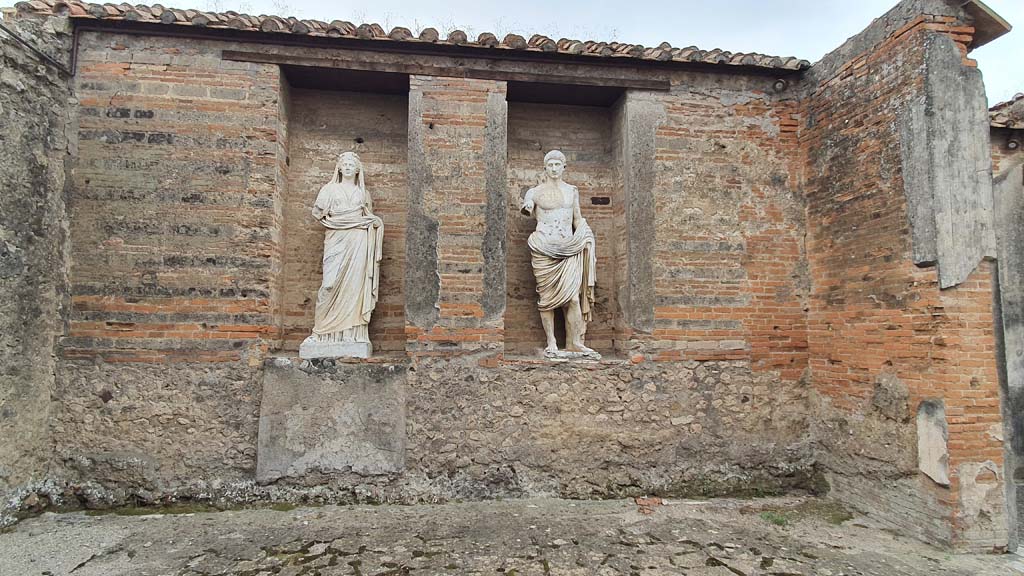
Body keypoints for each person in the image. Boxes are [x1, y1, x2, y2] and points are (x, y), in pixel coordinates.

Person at [299, 151, 383, 358]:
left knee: (355, 285)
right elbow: (318, 213)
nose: (346, 167)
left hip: (358, 240)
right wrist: (335, 222)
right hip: (336, 238)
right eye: (343, 164)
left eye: (350, 164)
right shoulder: (329, 189)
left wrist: (374, 222)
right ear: (338, 167)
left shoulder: (363, 193)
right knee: (329, 284)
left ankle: (352, 334)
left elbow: (367, 216)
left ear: (357, 170)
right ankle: (322, 332)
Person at [521, 150, 599, 358]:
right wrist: (528, 205)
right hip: (544, 246)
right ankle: (551, 342)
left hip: (568, 247)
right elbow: (527, 208)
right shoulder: (535, 192)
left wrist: (586, 233)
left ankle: (574, 343)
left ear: (564, 167)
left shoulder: (572, 191)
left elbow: (577, 218)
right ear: (545, 168)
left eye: (558, 165)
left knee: (573, 299)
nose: (554, 169)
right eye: (550, 165)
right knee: (546, 298)